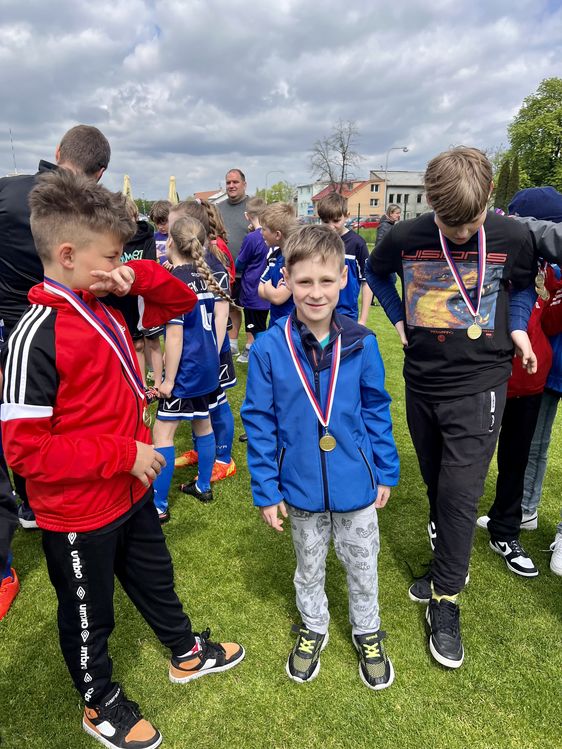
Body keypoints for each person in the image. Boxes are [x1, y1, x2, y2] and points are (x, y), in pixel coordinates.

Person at [0, 170, 244, 749]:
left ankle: (185, 652)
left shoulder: (103, 300)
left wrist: (136, 275)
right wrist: (122, 453)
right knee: (90, 615)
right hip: (79, 510)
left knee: (156, 579)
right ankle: (99, 701)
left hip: (129, 488)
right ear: (67, 255)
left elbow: (179, 298)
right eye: (111, 256)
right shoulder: (34, 335)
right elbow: (24, 451)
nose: (119, 266)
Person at [365, 146, 536, 669]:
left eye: (471, 223)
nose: (461, 233)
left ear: (489, 197)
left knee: (461, 495)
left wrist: (517, 329)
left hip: (482, 382)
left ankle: (446, 599)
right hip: (422, 382)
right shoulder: (405, 236)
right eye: (448, 223)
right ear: (430, 203)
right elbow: (375, 274)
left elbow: (522, 286)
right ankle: (445, 567)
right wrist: (397, 318)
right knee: (439, 485)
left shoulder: (512, 237)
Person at [241, 224, 399, 690]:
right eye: (305, 281)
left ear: (343, 280)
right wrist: (267, 489)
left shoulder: (362, 342)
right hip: (300, 485)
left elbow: (376, 409)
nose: (315, 292)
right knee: (308, 566)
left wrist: (385, 470)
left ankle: (367, 629)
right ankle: (314, 625)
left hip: (356, 484)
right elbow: (259, 422)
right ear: (286, 280)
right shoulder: (269, 349)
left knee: (363, 564)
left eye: (326, 281)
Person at [0, 124, 111, 532]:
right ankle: (44, 503)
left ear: (58, 151)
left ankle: (29, 503)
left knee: (21, 415)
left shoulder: (8, 191)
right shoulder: (90, 207)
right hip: (66, 324)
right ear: (99, 172)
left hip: (16, 324)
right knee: (66, 413)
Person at [152, 215, 236, 518]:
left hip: (185, 371)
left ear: (170, 242)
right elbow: (217, 322)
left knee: (162, 434)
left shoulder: (173, 282)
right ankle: (202, 486)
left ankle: (158, 506)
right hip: (208, 368)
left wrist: (168, 381)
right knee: (203, 424)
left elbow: (174, 337)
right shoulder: (207, 275)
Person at [167, 201, 238, 484]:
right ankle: (201, 449)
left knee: (217, 404)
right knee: (201, 406)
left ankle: (224, 459)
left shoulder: (213, 264)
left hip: (213, 353)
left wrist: (212, 353)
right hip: (198, 353)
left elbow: (221, 317)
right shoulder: (186, 265)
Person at [107, 197, 158, 394]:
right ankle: (119, 383)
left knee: (138, 344)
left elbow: (150, 265)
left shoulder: (146, 237)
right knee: (115, 343)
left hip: (136, 299)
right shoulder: (109, 238)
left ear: (135, 217)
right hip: (113, 299)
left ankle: (140, 386)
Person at [317, 192, 373, 324]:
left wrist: (363, 320)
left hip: (347, 315)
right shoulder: (316, 241)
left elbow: (367, 282)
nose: (331, 226)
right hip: (319, 311)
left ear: (347, 215)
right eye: (325, 221)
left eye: (336, 221)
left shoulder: (357, 244)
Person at [235, 196, 270, 363]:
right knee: (260, 324)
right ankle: (258, 353)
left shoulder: (252, 238)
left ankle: (262, 357)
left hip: (252, 290)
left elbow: (240, 262)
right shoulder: (271, 235)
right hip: (267, 289)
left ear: (247, 215)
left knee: (255, 327)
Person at [218, 169, 250, 354]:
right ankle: (232, 343)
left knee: (253, 309)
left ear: (244, 184)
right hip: (226, 271)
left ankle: (251, 345)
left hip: (251, 270)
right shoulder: (218, 208)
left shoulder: (254, 207)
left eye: (235, 182)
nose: (231, 186)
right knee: (231, 307)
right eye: (228, 182)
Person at [258, 203, 297, 327]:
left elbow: (278, 298)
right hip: (275, 324)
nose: (261, 232)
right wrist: (271, 290)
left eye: (264, 229)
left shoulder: (295, 259)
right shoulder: (274, 257)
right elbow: (260, 289)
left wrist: (268, 287)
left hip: (292, 326)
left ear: (278, 235)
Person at [149, 200, 172, 266]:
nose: (160, 227)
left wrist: (173, 262)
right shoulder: (153, 237)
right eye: (157, 223)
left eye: (163, 223)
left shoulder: (177, 237)